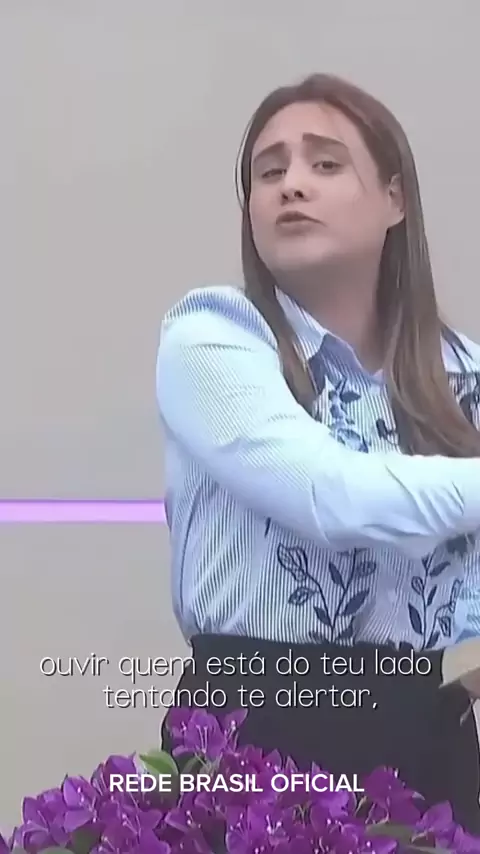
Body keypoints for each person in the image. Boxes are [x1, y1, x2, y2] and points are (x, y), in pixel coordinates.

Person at [155, 73, 480, 832]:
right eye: (269, 172)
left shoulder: (463, 374)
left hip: (425, 737)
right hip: (255, 726)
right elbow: (329, 496)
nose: (291, 185)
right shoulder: (212, 334)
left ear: (395, 200)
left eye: (325, 163)